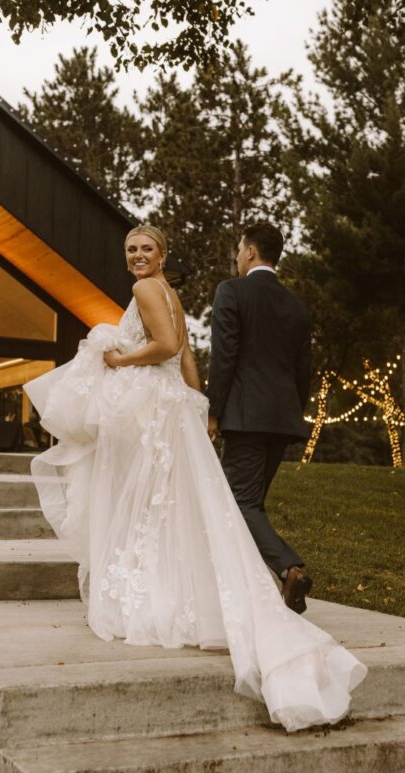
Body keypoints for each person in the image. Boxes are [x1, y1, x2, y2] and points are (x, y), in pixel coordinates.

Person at [25, 225, 366, 732]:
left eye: (146, 248)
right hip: (207, 414)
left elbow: (167, 347)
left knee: (180, 507)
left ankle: (203, 587)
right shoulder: (186, 294)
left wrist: (118, 359)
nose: (138, 256)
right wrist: (196, 403)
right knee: (181, 508)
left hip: (174, 414)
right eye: (131, 250)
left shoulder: (155, 290)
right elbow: (191, 359)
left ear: (163, 254)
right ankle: (214, 586)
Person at [206, 222, 314, 615]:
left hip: (244, 417)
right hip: (282, 419)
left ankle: (289, 569)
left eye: (239, 249)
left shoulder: (231, 291)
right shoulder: (296, 306)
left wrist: (214, 411)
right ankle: (254, 589)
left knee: (239, 503)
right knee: (252, 506)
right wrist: (290, 411)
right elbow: (304, 372)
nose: (236, 257)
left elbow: (224, 357)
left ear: (251, 252)